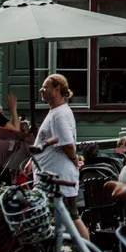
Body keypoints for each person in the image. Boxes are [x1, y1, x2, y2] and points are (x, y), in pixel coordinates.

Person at [33, 73, 88, 240]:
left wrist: (74, 159)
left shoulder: (59, 115)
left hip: (57, 177)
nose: (41, 90)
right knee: (68, 217)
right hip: (50, 176)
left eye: (45, 87)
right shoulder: (55, 112)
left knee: (72, 217)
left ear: (56, 90)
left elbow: (67, 143)